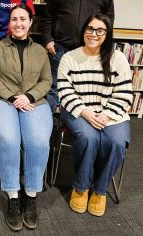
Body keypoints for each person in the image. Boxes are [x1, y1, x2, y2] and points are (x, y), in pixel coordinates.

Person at [0, 4, 52, 231]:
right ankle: (13, 196)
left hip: (34, 101)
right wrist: (12, 97)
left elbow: (47, 81)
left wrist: (28, 96)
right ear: (9, 23)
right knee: (10, 141)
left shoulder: (40, 51)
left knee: (38, 142)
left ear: (31, 22)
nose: (18, 23)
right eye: (14, 19)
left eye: (23, 19)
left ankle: (30, 195)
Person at [57, 13, 132, 217]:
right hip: (78, 111)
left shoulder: (118, 59)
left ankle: (100, 190)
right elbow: (65, 92)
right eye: (90, 29)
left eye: (100, 30)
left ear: (107, 34)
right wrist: (86, 113)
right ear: (83, 31)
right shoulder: (69, 58)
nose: (94, 34)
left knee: (116, 141)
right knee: (89, 137)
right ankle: (81, 187)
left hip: (111, 113)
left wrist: (106, 115)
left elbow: (125, 93)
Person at [41, 0, 115, 112]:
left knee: (82, 94)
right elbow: (47, 16)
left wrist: (103, 46)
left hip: (89, 53)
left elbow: (108, 20)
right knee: (52, 91)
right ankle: (44, 131)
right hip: (60, 50)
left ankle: (75, 130)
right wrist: (48, 40)